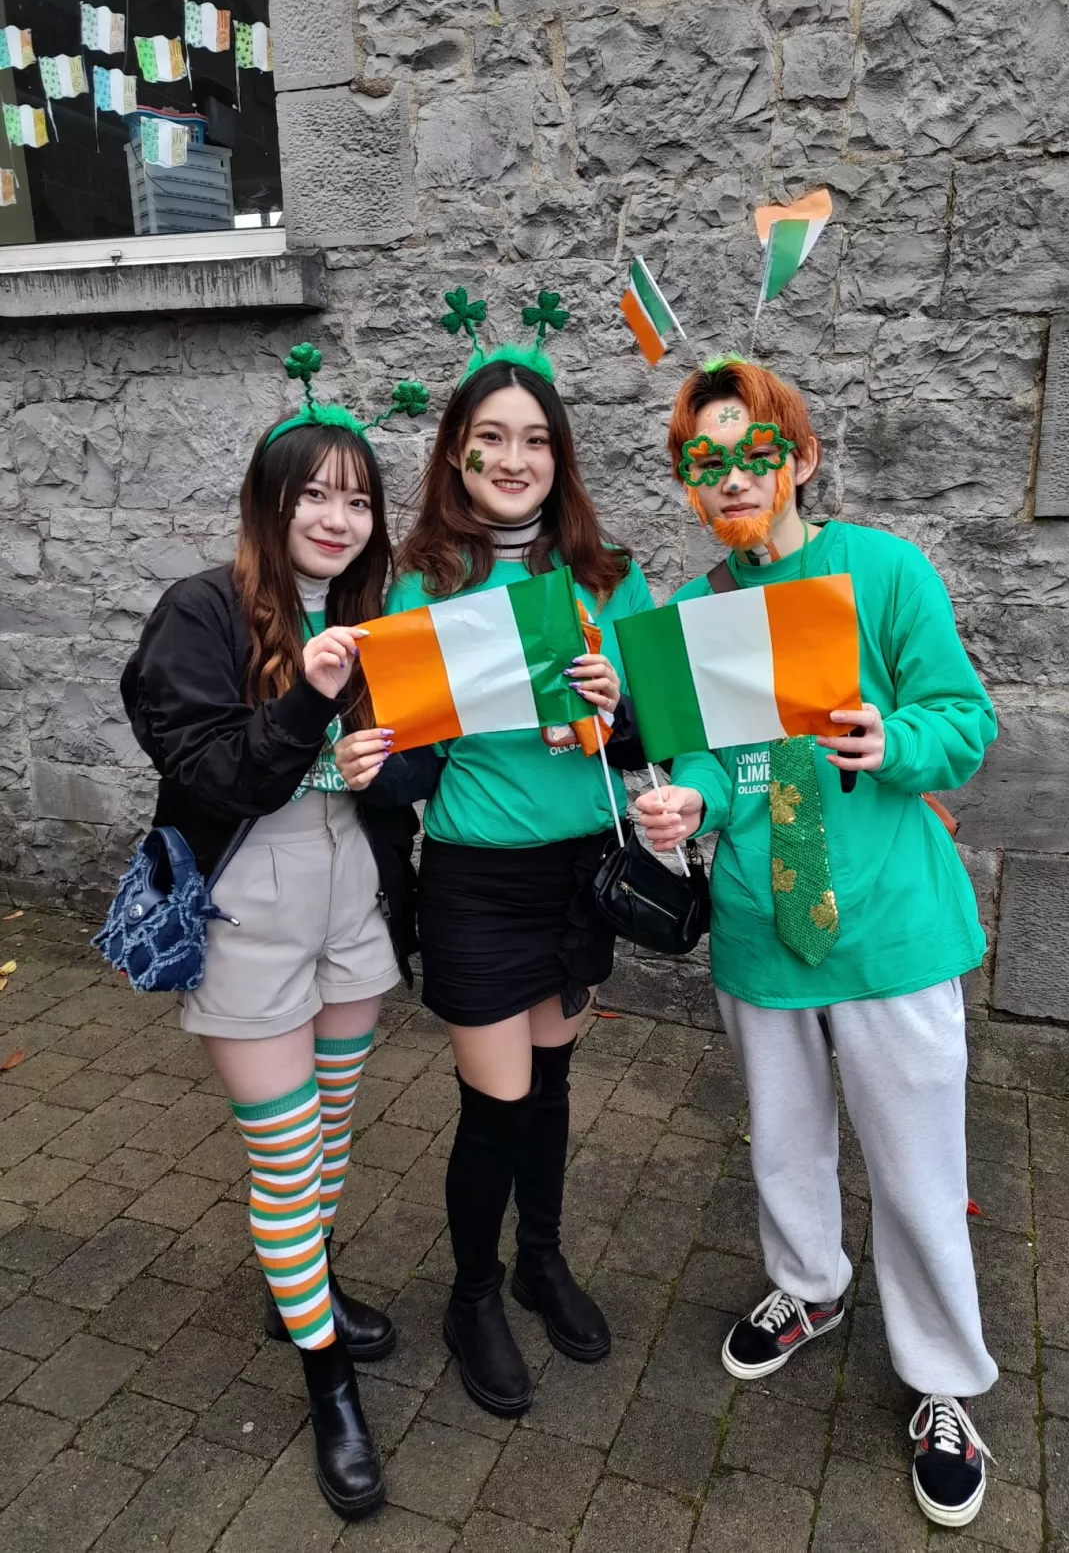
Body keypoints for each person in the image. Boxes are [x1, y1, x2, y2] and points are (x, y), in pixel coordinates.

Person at [635, 355, 999, 1530]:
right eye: (705, 463)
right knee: (783, 1141)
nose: (732, 478)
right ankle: (806, 1288)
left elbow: (963, 720)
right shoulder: (692, 615)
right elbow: (702, 761)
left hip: (889, 925)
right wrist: (686, 804)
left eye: (753, 453)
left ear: (798, 456)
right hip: (759, 923)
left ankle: (943, 1377)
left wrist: (889, 737)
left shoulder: (884, 573)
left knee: (916, 1165)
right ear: (690, 484)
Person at [119, 366, 440, 1521]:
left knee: (332, 1125)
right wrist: (307, 701)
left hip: (355, 889)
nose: (335, 519)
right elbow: (207, 767)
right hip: (246, 900)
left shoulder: (378, 619)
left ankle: (299, 1284)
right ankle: (328, 1379)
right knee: (281, 1152)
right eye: (313, 495)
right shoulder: (199, 611)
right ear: (269, 503)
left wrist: (385, 763)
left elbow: (421, 766)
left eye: (356, 501)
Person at [385, 299, 653, 1419]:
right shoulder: (421, 584)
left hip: (577, 871)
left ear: (560, 457)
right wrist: (425, 726)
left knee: (549, 1086)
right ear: (457, 451)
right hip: (476, 881)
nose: (513, 457)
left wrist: (613, 702)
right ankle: (473, 1292)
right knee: (492, 1100)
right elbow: (399, 766)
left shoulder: (605, 573)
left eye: (535, 438)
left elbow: (654, 742)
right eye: (490, 436)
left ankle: (540, 1259)